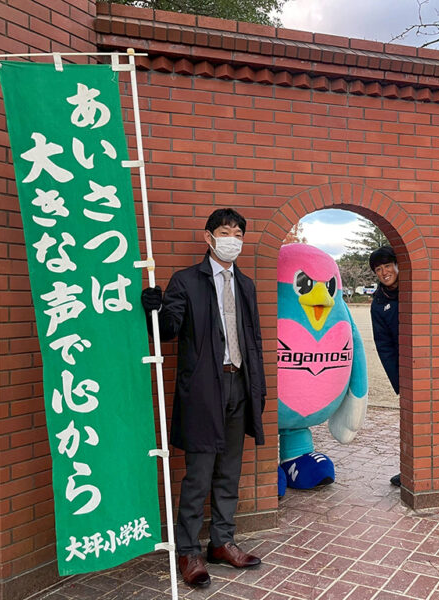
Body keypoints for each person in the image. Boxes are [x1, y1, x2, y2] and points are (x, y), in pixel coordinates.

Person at [140, 208, 266, 587]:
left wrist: (256, 388)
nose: (233, 240)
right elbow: (168, 330)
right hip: (203, 390)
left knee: (229, 470)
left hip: (239, 384)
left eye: (239, 234)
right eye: (226, 232)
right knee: (198, 475)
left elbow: (253, 340)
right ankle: (188, 550)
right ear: (209, 237)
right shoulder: (186, 281)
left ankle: (222, 542)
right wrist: (154, 309)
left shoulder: (246, 285)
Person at [368, 246, 401, 487]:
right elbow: (384, 346)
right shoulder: (378, 303)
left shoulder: (416, 288)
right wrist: (398, 381)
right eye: (378, 269)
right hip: (405, 371)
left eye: (388, 266)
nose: (384, 272)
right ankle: (410, 468)